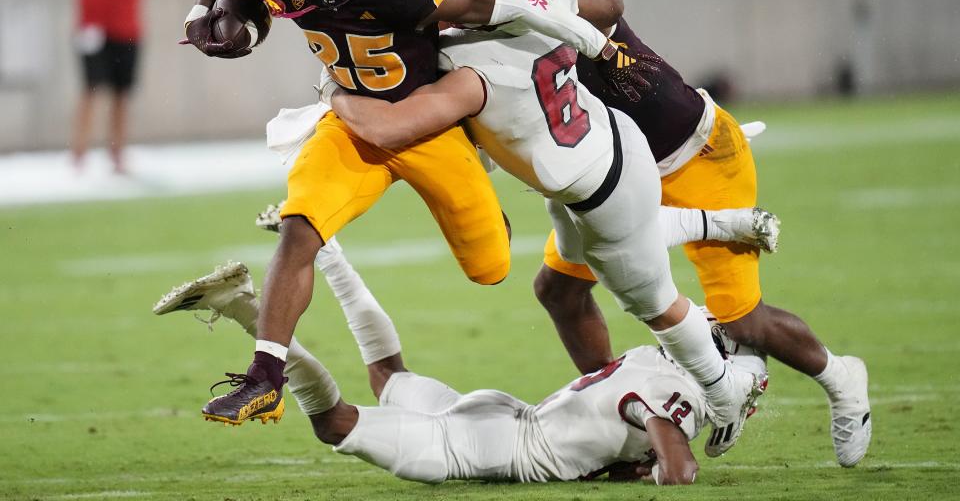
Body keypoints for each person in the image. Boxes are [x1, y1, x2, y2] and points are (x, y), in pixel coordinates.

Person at [180, 0, 654, 427]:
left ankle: (484, 211)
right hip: (351, 126)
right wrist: (199, 13)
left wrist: (598, 39)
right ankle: (264, 377)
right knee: (300, 226)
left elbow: (510, 6)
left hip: (427, 129)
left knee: (491, 266)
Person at [444, 0, 871, 467]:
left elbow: (605, 6)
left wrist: (526, 2)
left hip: (694, 156)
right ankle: (622, 408)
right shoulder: (501, 15)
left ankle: (841, 379)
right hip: (621, 172)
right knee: (559, 292)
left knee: (742, 318)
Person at [324, 0, 764, 457]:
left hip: (603, 188)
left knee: (655, 302)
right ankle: (717, 238)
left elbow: (394, 128)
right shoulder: (539, 8)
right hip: (600, 152)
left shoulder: (473, 70)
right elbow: (604, 5)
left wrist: (334, 89)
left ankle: (727, 387)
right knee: (561, 288)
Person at [153, 230, 767, 485]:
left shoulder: (650, 356)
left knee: (387, 373)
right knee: (333, 424)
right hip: (494, 446)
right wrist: (665, 466)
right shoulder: (678, 396)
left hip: (504, 414)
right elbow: (679, 465)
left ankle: (328, 248)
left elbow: (622, 420)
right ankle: (239, 307)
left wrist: (628, 465)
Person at [71, 0, 148, 174]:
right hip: (94, 27)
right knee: (90, 90)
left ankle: (117, 155)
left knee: (121, 94)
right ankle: (79, 153)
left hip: (127, 28)